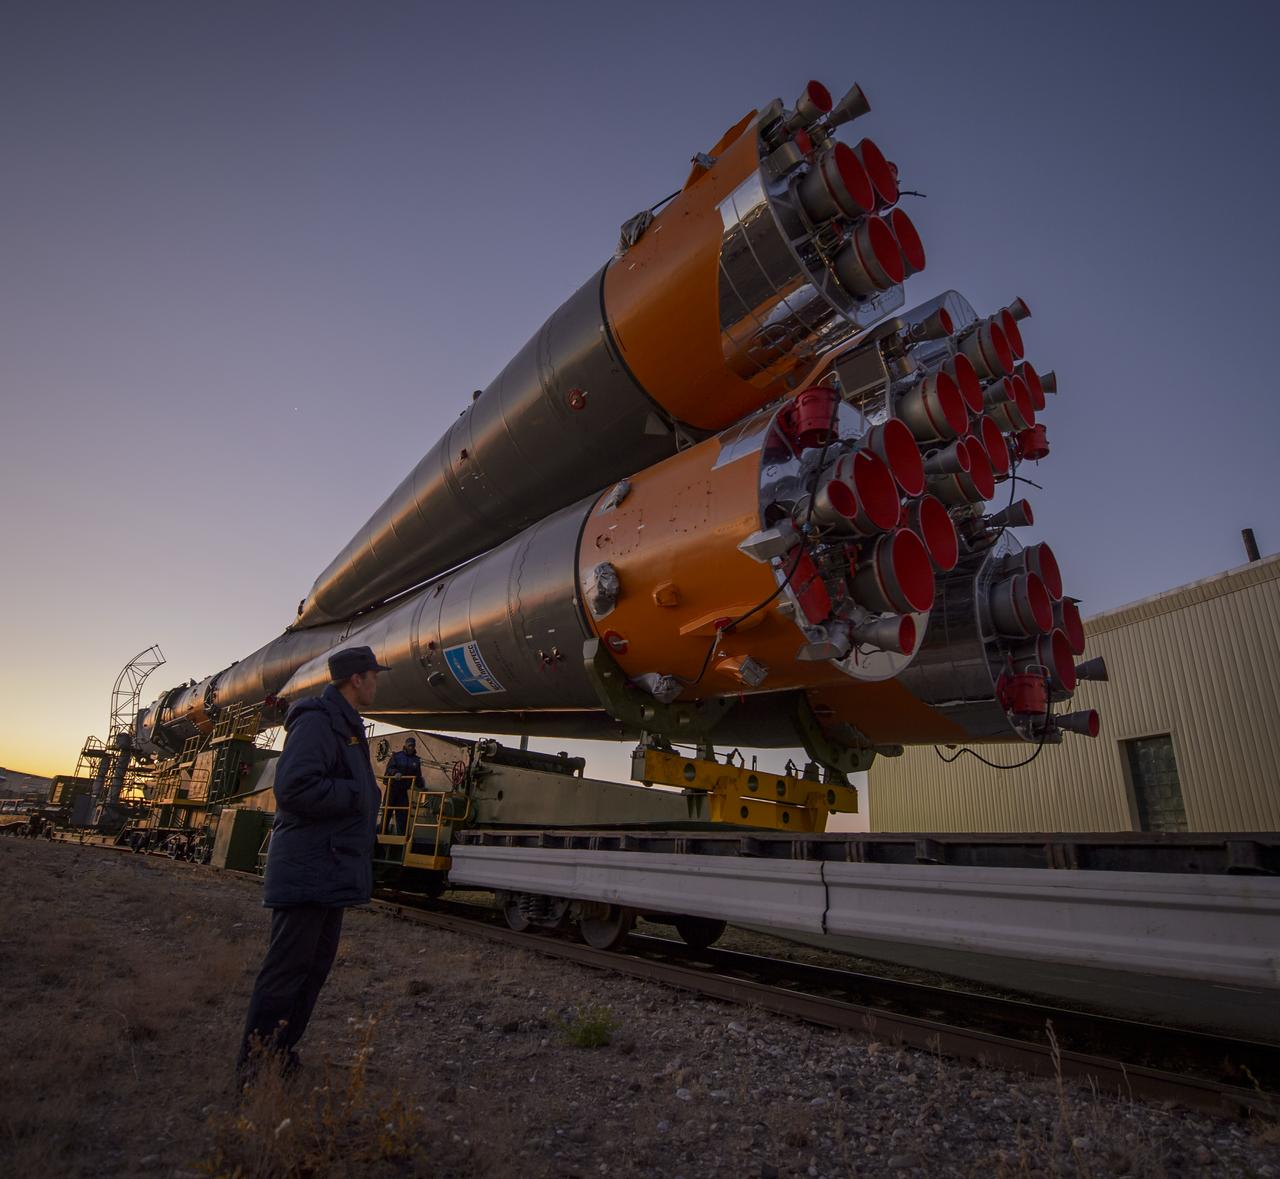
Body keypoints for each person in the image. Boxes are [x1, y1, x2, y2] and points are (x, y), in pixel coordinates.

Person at [236, 644, 388, 1086]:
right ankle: (253, 1071)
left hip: (329, 869)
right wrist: (357, 795)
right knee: (286, 972)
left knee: (312, 971)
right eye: (374, 675)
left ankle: (280, 1055)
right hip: (309, 868)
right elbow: (295, 788)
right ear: (356, 679)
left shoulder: (346, 725)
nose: (377, 682)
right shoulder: (318, 722)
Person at [382, 737, 425, 834]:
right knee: (386, 813)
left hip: (403, 791)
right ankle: (382, 834)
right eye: (409, 745)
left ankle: (402, 837)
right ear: (405, 745)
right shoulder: (396, 756)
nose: (411, 748)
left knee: (403, 814)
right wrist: (395, 773)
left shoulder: (416, 760)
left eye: (413, 746)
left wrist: (421, 785)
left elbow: (417, 775)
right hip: (392, 789)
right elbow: (389, 768)